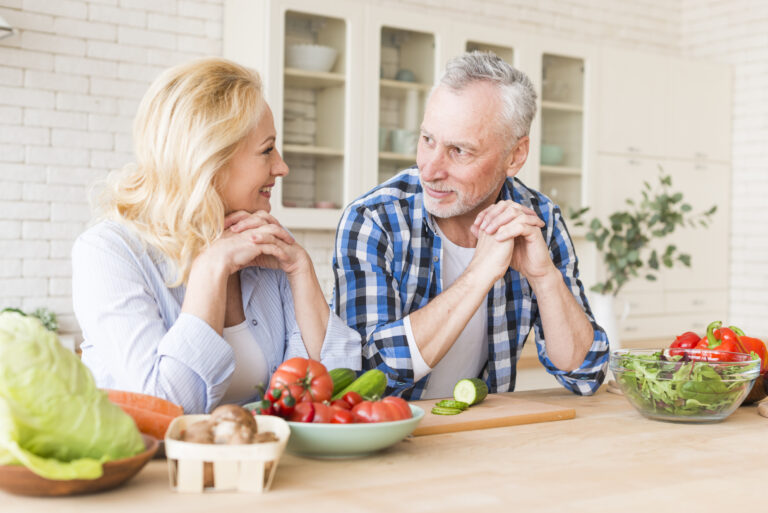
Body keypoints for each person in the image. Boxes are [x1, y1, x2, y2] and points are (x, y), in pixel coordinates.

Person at [72, 58, 361, 414]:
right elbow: (164, 411)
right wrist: (210, 270)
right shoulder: (109, 253)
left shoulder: (263, 240)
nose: (282, 167)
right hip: (159, 470)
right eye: (267, 150)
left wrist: (301, 271)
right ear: (210, 160)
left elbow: (335, 387)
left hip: (264, 462)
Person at [332, 51, 608, 399]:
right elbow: (368, 377)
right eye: (427, 139)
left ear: (515, 156)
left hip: (480, 435)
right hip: (387, 436)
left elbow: (586, 373)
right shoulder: (375, 219)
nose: (429, 170)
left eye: (459, 150)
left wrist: (544, 277)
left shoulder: (538, 219)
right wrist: (478, 274)